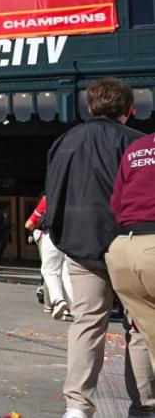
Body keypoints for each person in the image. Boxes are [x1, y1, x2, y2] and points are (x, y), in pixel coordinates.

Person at [42, 77, 144, 418]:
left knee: (87, 323)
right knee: (139, 326)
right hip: (127, 243)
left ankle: (77, 406)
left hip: (80, 246)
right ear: (129, 110)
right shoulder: (138, 144)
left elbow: (53, 192)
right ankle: (144, 406)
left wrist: (60, 237)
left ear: (90, 107)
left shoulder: (64, 142)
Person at [108, 129, 155, 352]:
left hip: (124, 248)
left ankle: (142, 389)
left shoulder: (136, 148)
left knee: (143, 333)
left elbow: (116, 202)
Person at [26, 194, 73, 318]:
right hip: (71, 238)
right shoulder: (74, 195)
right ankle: (70, 307)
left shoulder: (47, 199)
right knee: (66, 273)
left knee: (49, 271)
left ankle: (58, 301)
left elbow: (29, 224)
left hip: (51, 237)